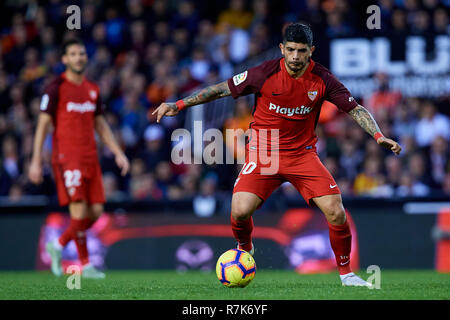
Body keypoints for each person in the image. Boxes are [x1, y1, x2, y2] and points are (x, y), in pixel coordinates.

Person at [152, 23, 401, 287]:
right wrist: (178, 104)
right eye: (290, 50)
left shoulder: (324, 79)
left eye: (301, 51)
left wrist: (378, 135)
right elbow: (220, 90)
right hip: (264, 154)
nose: (295, 57)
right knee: (239, 211)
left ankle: (347, 275)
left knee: (336, 212)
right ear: (282, 48)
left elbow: (356, 109)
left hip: (302, 156)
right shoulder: (264, 73)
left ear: (311, 51)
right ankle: (245, 248)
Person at [29, 38, 129, 279]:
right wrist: (35, 160)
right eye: (73, 54)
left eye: (81, 53)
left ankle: (59, 243)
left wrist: (117, 152)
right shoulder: (56, 87)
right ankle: (85, 264)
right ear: (64, 59)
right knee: (79, 210)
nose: (78, 57)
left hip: (90, 157)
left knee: (95, 211)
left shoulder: (93, 89)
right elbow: (43, 124)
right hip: (67, 157)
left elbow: (100, 124)